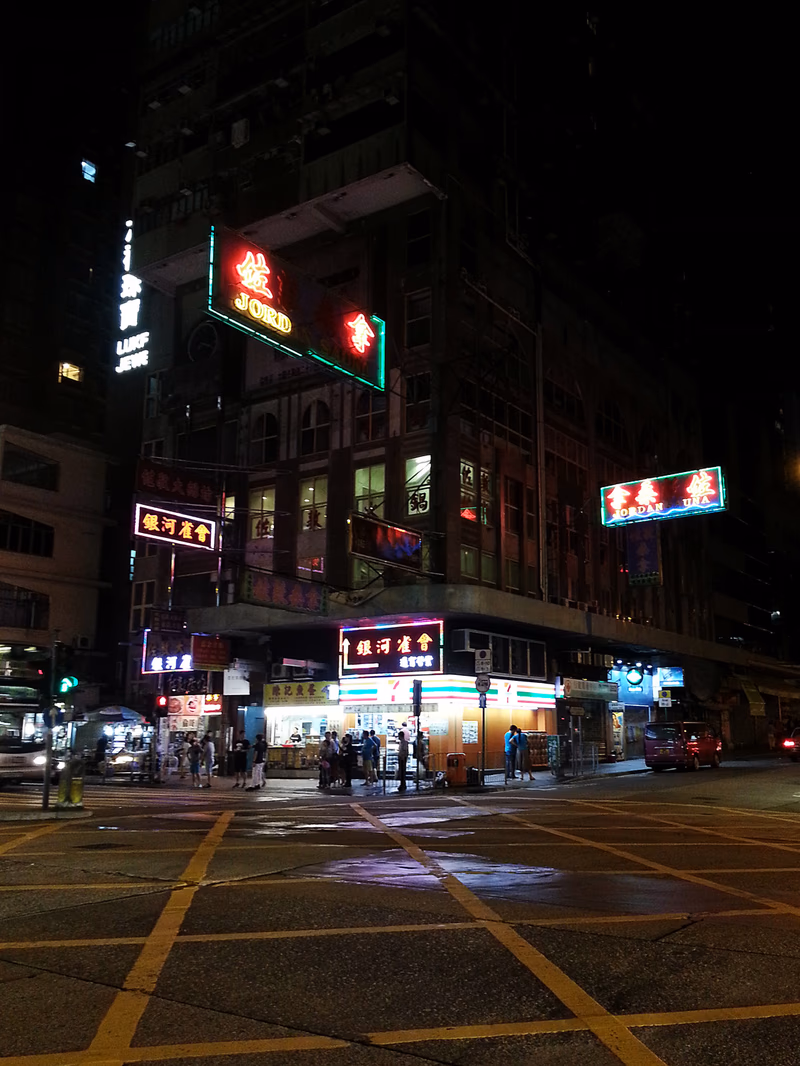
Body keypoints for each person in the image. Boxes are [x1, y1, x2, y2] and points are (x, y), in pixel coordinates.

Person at [397, 724, 409, 792]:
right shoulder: (402, 742)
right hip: (401, 758)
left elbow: (405, 751)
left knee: (402, 772)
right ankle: (402, 785)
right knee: (401, 772)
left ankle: (403, 785)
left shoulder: (404, 743)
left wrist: (402, 757)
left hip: (402, 759)